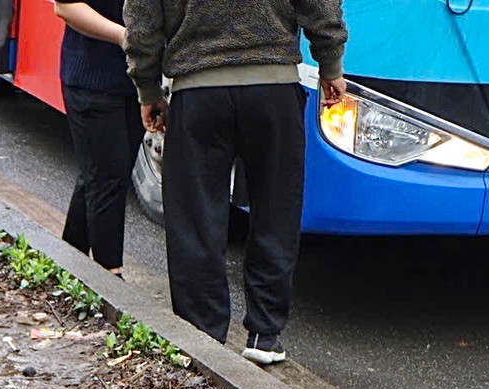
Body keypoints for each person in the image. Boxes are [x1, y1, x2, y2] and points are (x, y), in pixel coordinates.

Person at [123, 0, 347, 364]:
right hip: (273, 89)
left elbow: (142, 21)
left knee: (196, 217)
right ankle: (265, 334)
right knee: (276, 209)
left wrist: (148, 90)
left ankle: (203, 334)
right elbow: (320, 5)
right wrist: (330, 65)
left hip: (197, 92)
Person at [56, 0, 145, 278]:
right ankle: (109, 276)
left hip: (137, 84)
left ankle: (69, 265)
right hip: (91, 80)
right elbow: (66, 8)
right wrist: (125, 37)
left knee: (99, 174)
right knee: (108, 177)